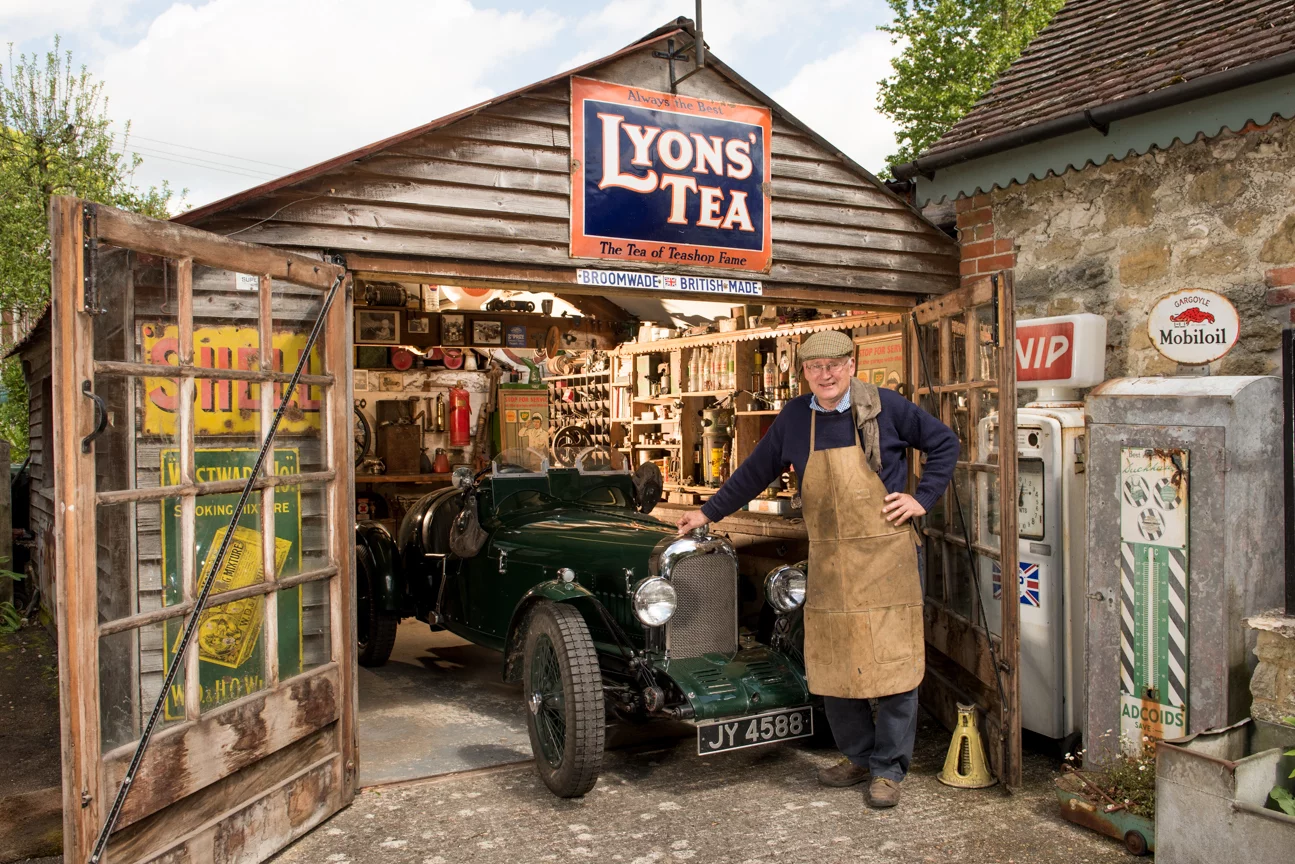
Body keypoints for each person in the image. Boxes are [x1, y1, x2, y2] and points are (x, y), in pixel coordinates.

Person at [675, 329, 957, 809]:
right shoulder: (793, 419)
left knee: (893, 661)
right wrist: (708, 512)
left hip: (886, 556)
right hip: (829, 558)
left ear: (852, 364)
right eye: (814, 367)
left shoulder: (884, 407)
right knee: (832, 659)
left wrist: (921, 498)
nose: (825, 375)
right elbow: (753, 472)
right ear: (804, 373)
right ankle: (859, 757)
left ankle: (889, 770)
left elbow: (945, 444)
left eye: (834, 365)